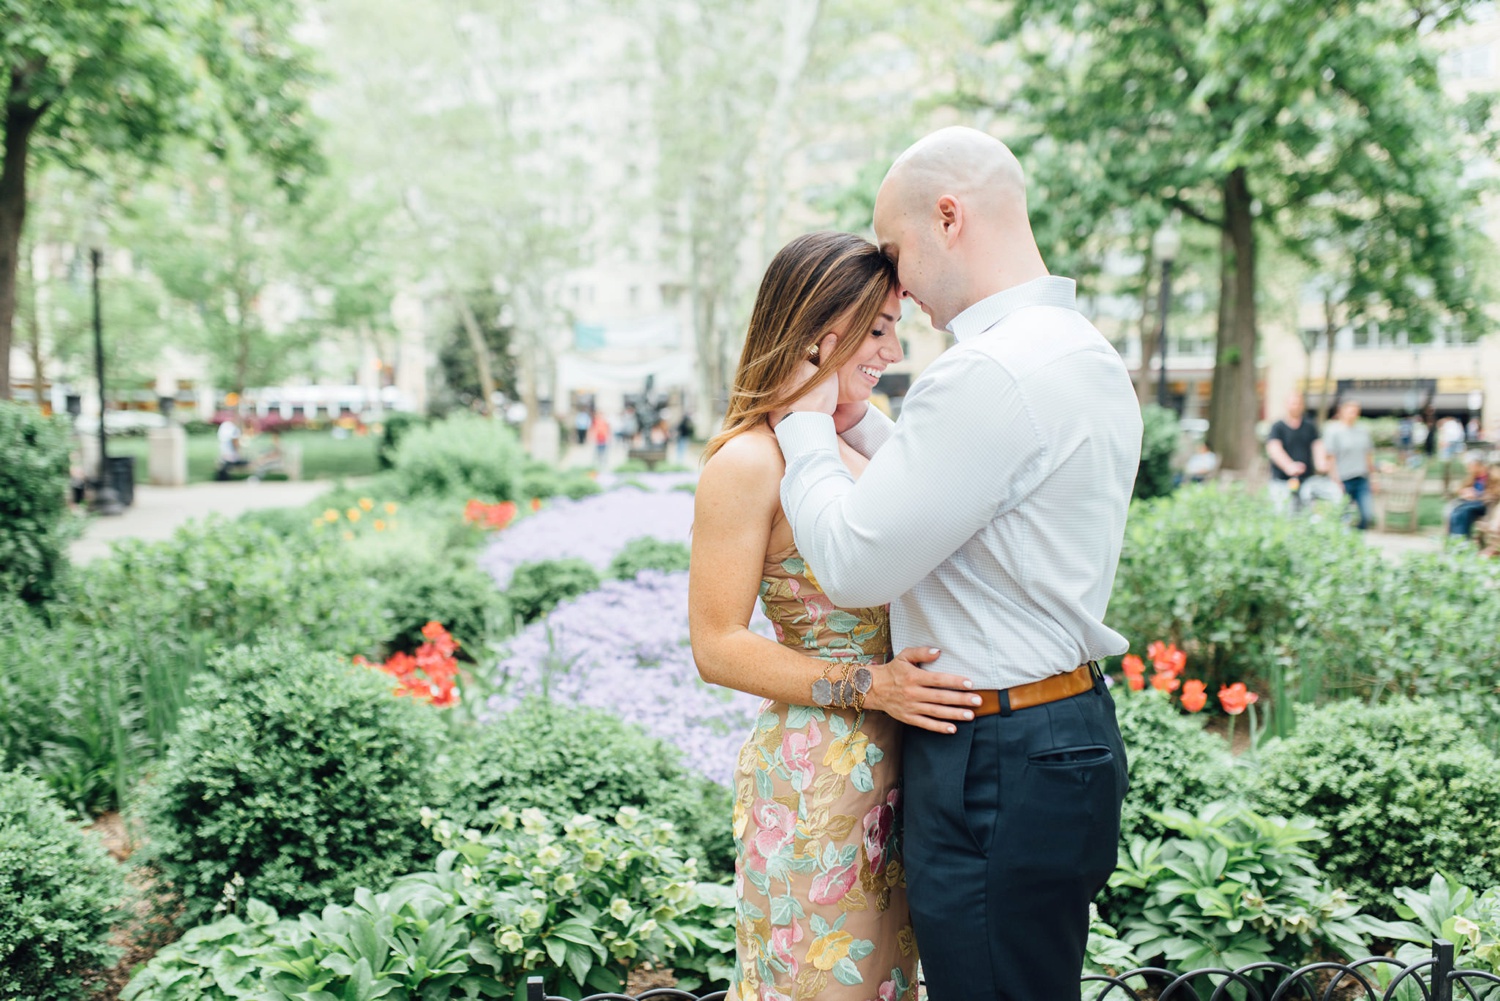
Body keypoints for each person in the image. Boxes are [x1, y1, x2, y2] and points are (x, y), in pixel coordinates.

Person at [768, 128, 1137, 1001]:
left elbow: (858, 562)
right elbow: (976, 510)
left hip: (995, 756)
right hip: (1067, 731)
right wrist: (859, 422)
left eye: (896, 253)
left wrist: (805, 420)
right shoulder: (1081, 351)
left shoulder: (987, 371)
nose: (895, 283)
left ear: (948, 216)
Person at [690, 231, 970, 1001]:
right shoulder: (750, 461)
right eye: (876, 328)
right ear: (820, 331)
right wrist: (867, 686)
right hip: (819, 780)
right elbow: (715, 645)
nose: (892, 348)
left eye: (895, 327)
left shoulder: (863, 445)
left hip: (912, 771)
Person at [1266, 391, 1333, 513]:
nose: (1296, 406)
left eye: (1298, 403)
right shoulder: (1277, 427)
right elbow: (1274, 449)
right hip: (1282, 481)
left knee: (1305, 515)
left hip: (1306, 480)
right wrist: (1289, 466)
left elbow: (1317, 446)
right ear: (1286, 405)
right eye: (1293, 403)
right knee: (1283, 514)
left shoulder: (1310, 426)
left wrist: (1321, 463)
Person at [1323, 399, 1377, 530]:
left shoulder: (1363, 432)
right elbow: (1330, 458)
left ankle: (1358, 537)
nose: (1354, 414)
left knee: (1367, 515)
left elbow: (1368, 456)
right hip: (1343, 479)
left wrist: (1374, 478)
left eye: (1356, 412)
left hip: (1361, 478)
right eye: (1351, 411)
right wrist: (1335, 480)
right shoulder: (1333, 431)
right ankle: (1346, 543)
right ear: (1342, 411)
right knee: (1343, 516)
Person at [1448, 454, 1491, 539]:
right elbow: (1459, 489)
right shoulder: (1472, 476)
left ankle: (1462, 542)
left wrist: (1478, 494)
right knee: (1455, 512)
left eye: (1470, 465)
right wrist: (1465, 492)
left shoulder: (1493, 476)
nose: (1468, 468)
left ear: (1478, 465)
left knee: (1464, 511)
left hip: (1485, 505)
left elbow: (1496, 492)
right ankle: (1454, 540)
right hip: (1471, 504)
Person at [215, 416, 243, 481]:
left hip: (224, 452)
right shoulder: (233, 428)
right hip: (231, 454)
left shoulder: (225, 426)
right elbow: (235, 441)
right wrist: (237, 451)